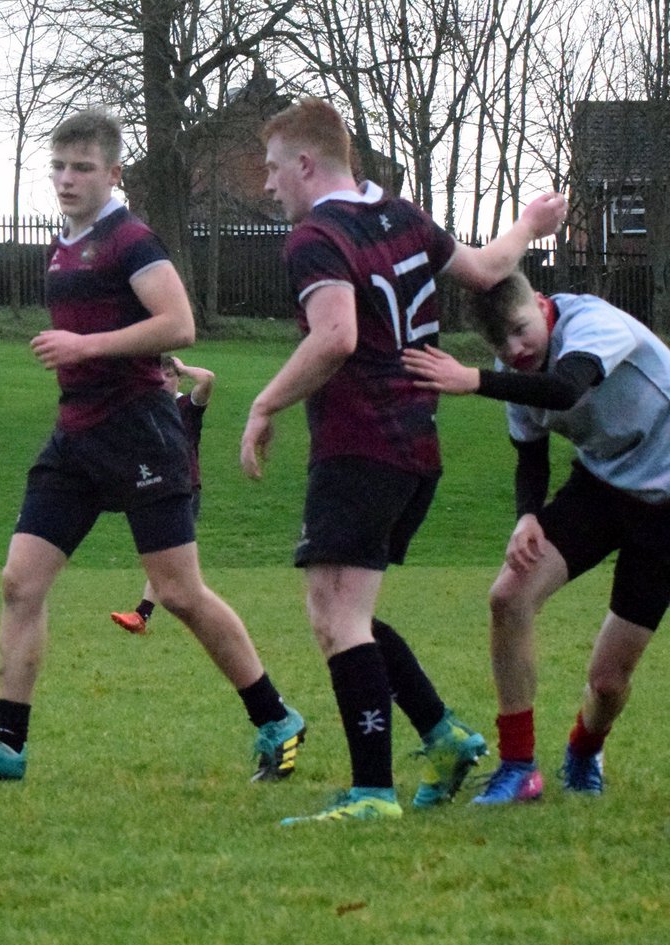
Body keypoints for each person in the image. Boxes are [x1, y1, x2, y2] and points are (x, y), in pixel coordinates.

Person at [0, 109, 304, 784]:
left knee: (178, 593)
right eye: (58, 167)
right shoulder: (63, 245)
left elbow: (179, 325)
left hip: (139, 432)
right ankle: (6, 744)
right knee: (19, 582)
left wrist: (86, 346)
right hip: (75, 436)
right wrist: (82, 356)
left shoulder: (131, 240)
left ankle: (277, 718)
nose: (66, 179)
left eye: (83, 168)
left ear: (114, 173)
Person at [242, 96, 567, 824]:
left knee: (338, 617)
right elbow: (487, 267)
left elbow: (335, 338)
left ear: (305, 164)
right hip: (416, 447)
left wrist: (265, 405)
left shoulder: (315, 238)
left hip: (361, 444)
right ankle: (443, 736)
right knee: (343, 611)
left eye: (272, 168)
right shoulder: (402, 215)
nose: (267, 184)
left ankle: (372, 792)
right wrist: (529, 224)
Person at [402, 272, 670, 803]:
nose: (514, 350)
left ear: (542, 304)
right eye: (499, 343)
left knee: (608, 683)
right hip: (600, 488)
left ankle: (585, 747)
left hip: (665, 509)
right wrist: (527, 516)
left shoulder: (594, 325)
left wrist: (473, 379)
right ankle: (519, 766)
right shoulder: (515, 370)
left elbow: (567, 387)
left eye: (521, 330)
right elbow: (530, 455)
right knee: (509, 596)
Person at [112, 354, 214, 634]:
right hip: (159, 489)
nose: (164, 381)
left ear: (178, 378)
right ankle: (150, 614)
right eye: (160, 376)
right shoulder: (150, 409)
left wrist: (183, 367)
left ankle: (142, 615)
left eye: (170, 375)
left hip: (186, 489)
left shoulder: (187, 406)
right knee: (171, 564)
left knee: (167, 560)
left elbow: (207, 379)